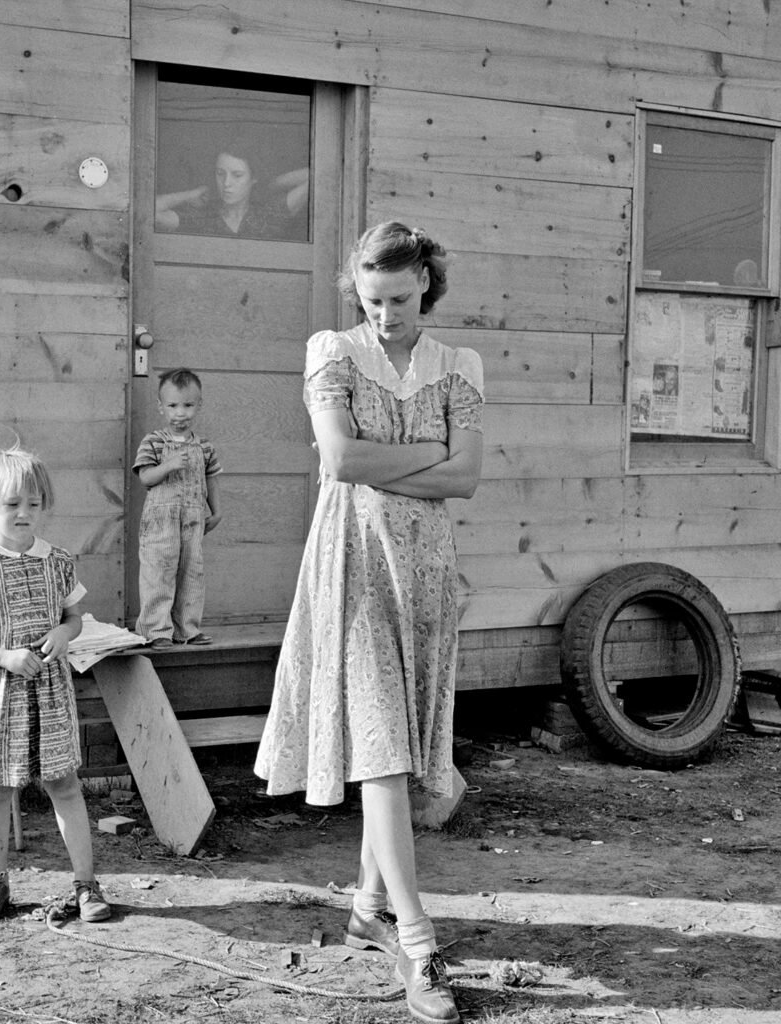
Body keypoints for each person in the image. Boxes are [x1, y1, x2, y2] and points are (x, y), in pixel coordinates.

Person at [254, 222, 484, 1023]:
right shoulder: (333, 351)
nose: (384, 312)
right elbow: (341, 462)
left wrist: (423, 463)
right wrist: (429, 452)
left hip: (424, 571)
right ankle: (419, 943)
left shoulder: (459, 366)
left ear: (424, 280)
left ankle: (367, 909)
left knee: (408, 737)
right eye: (370, 298)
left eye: (397, 296)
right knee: (382, 742)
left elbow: (470, 478)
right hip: (352, 561)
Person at [0, 441, 111, 925]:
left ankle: (85, 883)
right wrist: (3, 656)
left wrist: (64, 631)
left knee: (63, 783)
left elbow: (75, 617)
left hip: (49, 694)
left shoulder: (58, 561)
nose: (23, 514)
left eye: (33, 504)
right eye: (12, 504)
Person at [133, 368, 223, 649]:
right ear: (161, 407)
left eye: (188, 405)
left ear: (199, 405)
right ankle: (156, 631)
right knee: (158, 573)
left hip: (193, 519)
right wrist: (168, 465)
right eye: (173, 406)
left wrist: (216, 510)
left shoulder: (204, 446)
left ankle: (187, 628)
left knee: (191, 573)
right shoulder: (154, 442)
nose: (180, 413)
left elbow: (211, 477)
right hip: (161, 520)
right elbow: (146, 477)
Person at [155, 147, 308, 240]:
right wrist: (189, 195)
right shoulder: (202, 217)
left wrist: (269, 184)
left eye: (237, 175)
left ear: (253, 178)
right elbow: (149, 212)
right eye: (220, 173)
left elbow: (316, 176)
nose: (226, 183)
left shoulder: (269, 214)